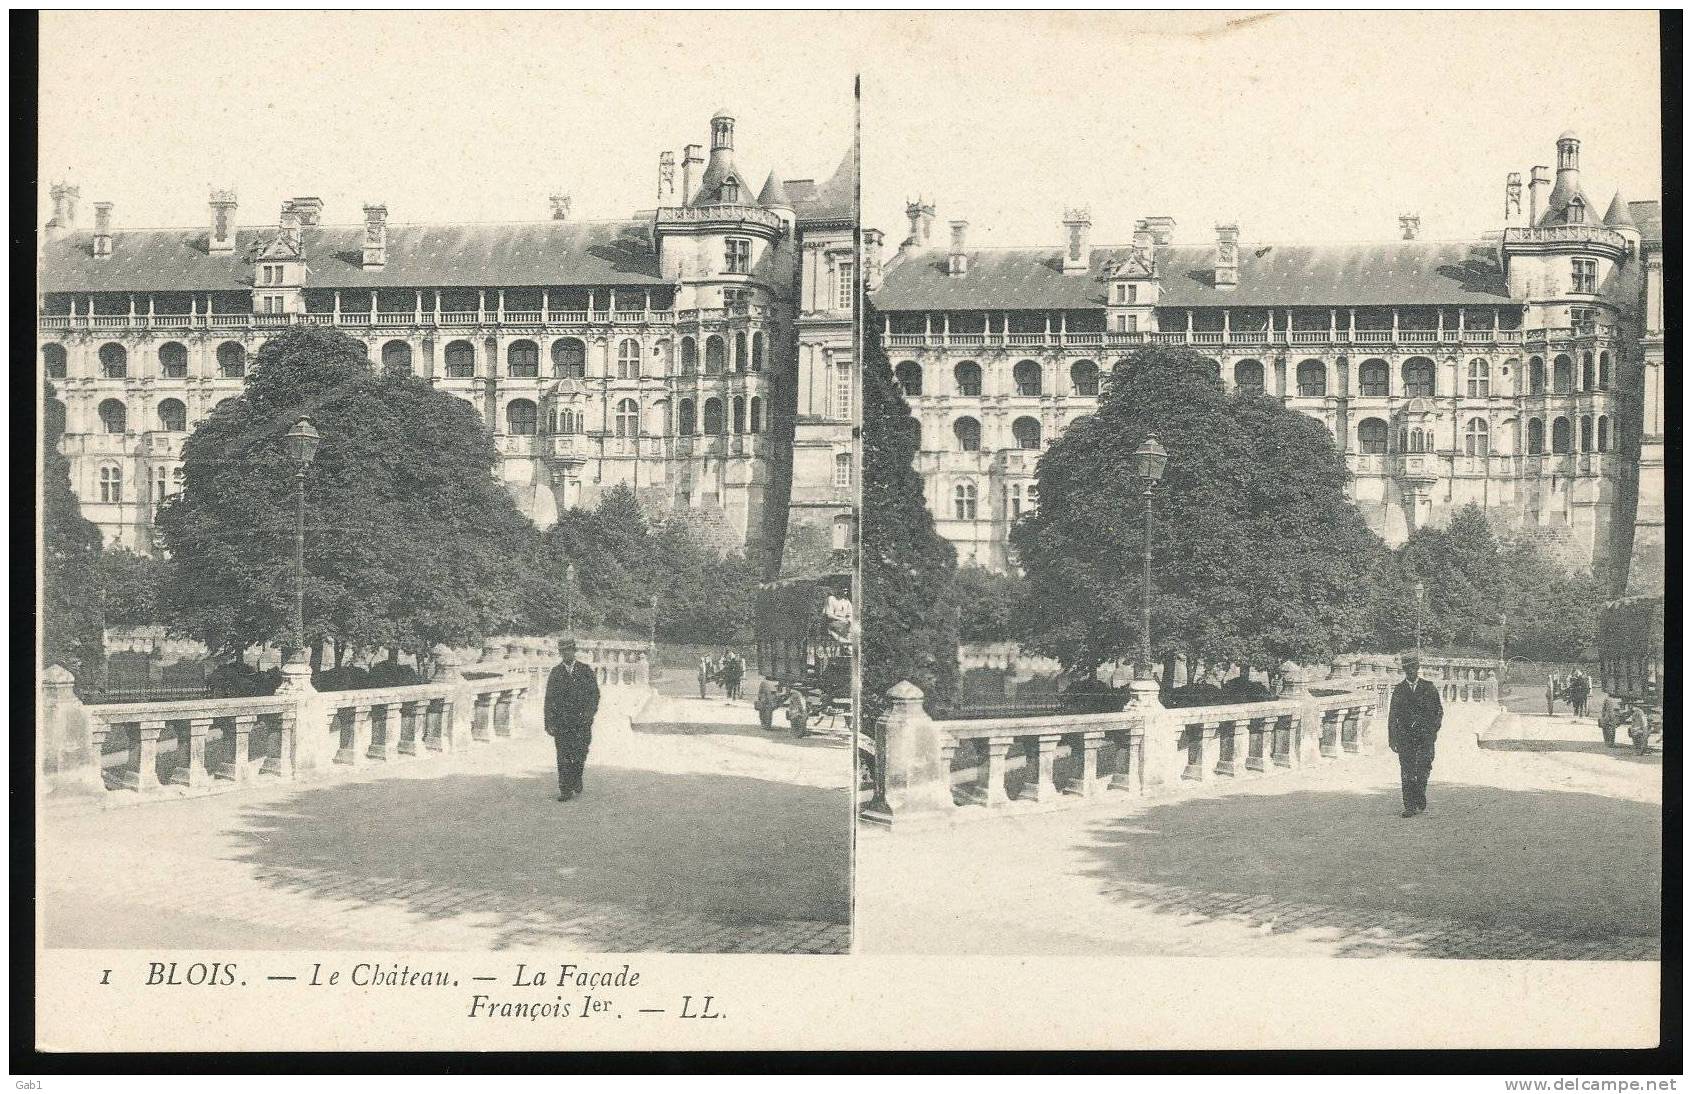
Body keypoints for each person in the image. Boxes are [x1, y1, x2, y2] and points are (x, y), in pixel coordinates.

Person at [543, 636, 601, 802]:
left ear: (574, 652)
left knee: (580, 752)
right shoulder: (555, 673)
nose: (566, 654)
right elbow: (549, 700)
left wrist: (589, 715)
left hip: (582, 722)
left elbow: (594, 695)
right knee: (563, 755)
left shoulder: (585, 671)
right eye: (563, 651)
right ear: (560, 653)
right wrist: (549, 722)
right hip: (562, 722)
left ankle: (577, 777)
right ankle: (565, 789)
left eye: (569, 650)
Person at [1388, 653, 1444, 818]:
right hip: (1405, 738)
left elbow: (1438, 712)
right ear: (1404, 670)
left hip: (1425, 737)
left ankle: (1419, 798)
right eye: (1408, 668)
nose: (1411, 671)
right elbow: (1393, 717)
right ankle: (1409, 806)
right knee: (1407, 770)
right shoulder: (1398, 690)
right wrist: (1392, 739)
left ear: (1418, 668)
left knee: (1423, 769)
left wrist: (1432, 731)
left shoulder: (1429, 688)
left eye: (1414, 668)